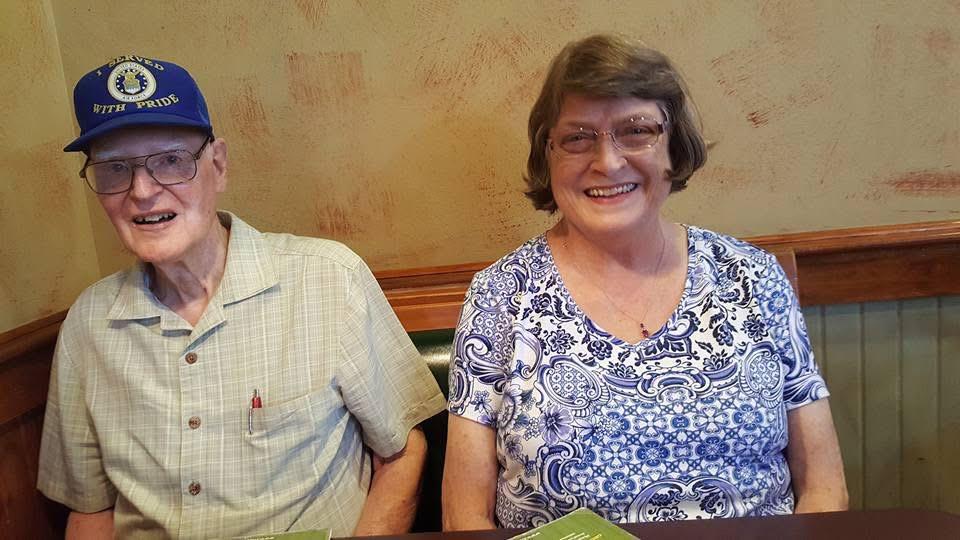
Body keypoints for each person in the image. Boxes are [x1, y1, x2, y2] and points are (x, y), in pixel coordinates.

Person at [442, 35, 848, 529]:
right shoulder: (500, 295)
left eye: (636, 131)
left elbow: (824, 487)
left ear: (673, 148)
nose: (608, 162)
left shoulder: (753, 276)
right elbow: (465, 516)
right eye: (577, 137)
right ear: (546, 153)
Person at [38, 54, 446, 539]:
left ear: (218, 165)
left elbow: (401, 452)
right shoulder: (88, 324)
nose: (143, 191)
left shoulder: (329, 279)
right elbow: (90, 511)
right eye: (114, 169)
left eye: (171, 161)